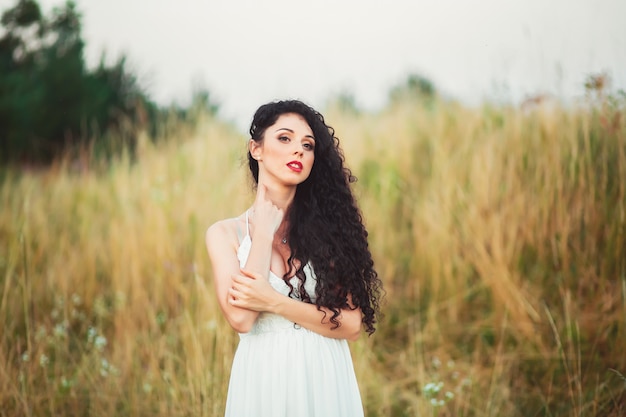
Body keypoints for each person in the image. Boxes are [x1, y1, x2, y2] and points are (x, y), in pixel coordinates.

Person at [205, 99, 383, 416]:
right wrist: (262, 232)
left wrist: (274, 302)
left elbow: (353, 323)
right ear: (256, 149)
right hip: (263, 383)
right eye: (284, 138)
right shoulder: (224, 234)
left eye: (308, 144)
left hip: (325, 378)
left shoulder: (330, 232)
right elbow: (242, 319)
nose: (298, 150)